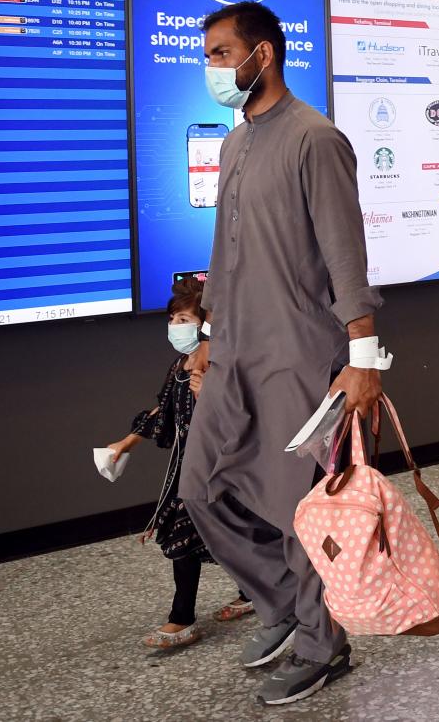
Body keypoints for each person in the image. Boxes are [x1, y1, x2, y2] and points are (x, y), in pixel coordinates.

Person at [177, 1, 386, 706]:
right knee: (200, 488)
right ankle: (285, 610)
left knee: (303, 511)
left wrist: (364, 358)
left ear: (261, 56)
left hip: (300, 354)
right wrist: (206, 338)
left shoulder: (315, 138)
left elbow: (346, 257)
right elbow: (224, 255)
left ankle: (324, 644)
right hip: (234, 347)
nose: (211, 66)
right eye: (207, 53)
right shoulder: (235, 143)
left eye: (219, 53)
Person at [106, 277, 253, 650]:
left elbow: (246, 416)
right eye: (173, 319)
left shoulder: (223, 364)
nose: (176, 327)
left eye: (185, 320)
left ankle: (182, 619)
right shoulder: (179, 366)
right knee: (203, 534)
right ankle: (247, 591)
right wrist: (128, 441)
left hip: (222, 469)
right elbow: (165, 410)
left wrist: (213, 394)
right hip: (188, 469)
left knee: (217, 532)